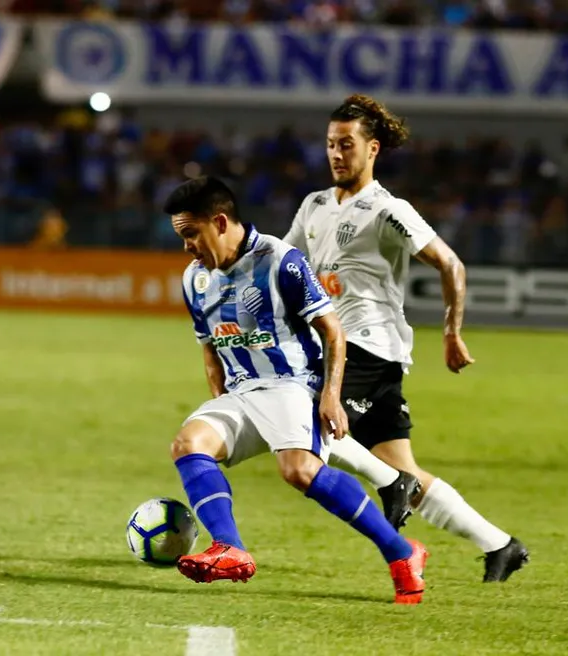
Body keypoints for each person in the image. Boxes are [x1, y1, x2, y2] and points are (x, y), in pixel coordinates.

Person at [283, 94, 529, 582]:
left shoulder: (387, 209)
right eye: (331, 144)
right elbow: (284, 267)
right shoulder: (313, 206)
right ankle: (500, 545)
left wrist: (452, 332)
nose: (336, 153)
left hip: (367, 347)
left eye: (347, 144)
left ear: (372, 149)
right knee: (406, 473)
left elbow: (450, 262)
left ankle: (390, 484)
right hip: (349, 350)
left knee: (307, 434)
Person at [167, 176, 428, 604]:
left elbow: (332, 329)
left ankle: (402, 552)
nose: (186, 247)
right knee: (188, 443)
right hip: (242, 393)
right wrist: (218, 402)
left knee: (299, 471)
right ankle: (229, 548)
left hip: (293, 386)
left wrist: (330, 396)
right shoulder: (195, 278)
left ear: (219, 222)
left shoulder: (279, 260)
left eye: (190, 234)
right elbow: (210, 349)